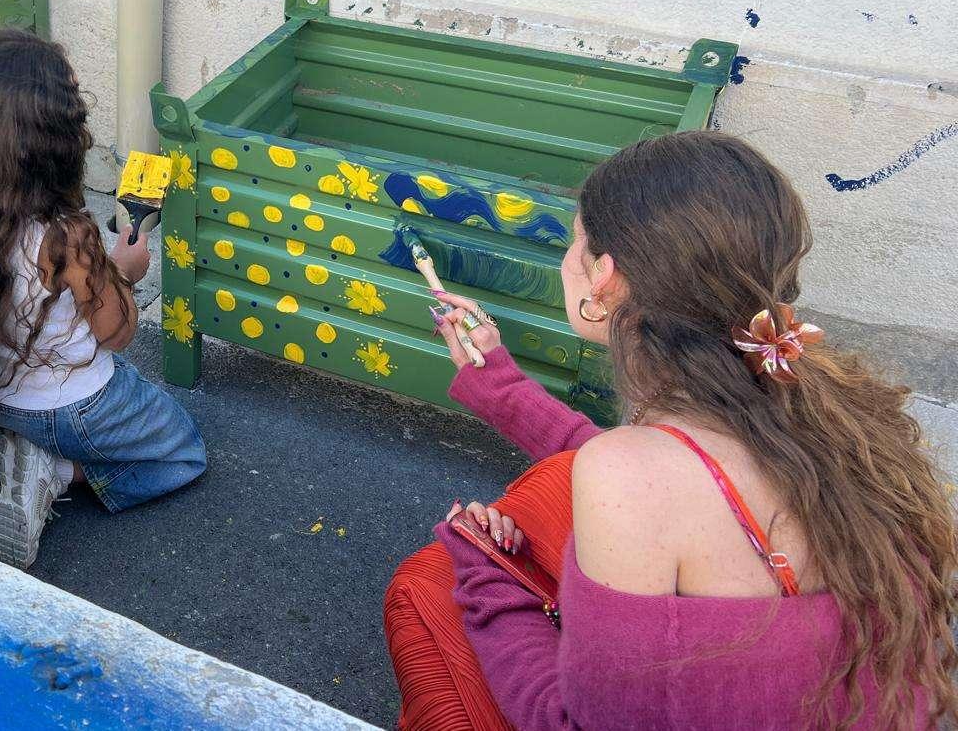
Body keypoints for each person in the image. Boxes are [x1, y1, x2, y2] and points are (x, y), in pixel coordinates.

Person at [384, 131, 956, 730]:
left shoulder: (633, 472)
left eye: (575, 241)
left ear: (603, 276)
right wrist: (498, 384)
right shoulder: (818, 406)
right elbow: (671, 474)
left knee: (426, 589)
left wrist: (491, 574)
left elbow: (570, 723)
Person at [0, 27, 205, 570]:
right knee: (181, 451)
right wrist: (124, 274)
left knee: (34, 420)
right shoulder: (68, 236)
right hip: (74, 407)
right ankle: (49, 472)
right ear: (50, 143)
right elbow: (117, 333)